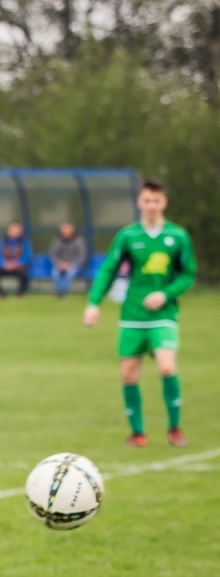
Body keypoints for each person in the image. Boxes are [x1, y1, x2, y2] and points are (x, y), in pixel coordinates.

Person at [84, 180, 195, 448]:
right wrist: (94, 303)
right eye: (147, 200)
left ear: (164, 203)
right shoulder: (128, 236)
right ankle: (138, 434)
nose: (151, 206)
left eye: (156, 201)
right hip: (133, 315)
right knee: (128, 375)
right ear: (139, 203)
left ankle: (174, 429)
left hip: (164, 314)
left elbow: (188, 274)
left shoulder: (178, 236)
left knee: (167, 367)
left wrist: (165, 294)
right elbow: (109, 270)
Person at [0, 222, 31, 297]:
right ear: (9, 230)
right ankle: (0, 294)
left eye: (18, 229)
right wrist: (4, 264)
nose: (16, 231)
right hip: (4, 266)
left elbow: (27, 257)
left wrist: (16, 264)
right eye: (14, 229)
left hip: (18, 267)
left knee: (24, 274)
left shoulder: (25, 243)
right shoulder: (1, 242)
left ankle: (20, 294)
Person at [49, 222, 88, 298]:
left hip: (75, 265)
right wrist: (59, 263)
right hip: (60, 264)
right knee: (55, 273)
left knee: (70, 272)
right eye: (64, 229)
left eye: (68, 229)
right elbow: (53, 254)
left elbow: (82, 256)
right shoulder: (57, 241)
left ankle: (62, 291)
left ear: (72, 230)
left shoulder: (79, 241)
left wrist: (70, 264)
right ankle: (58, 291)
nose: (66, 231)